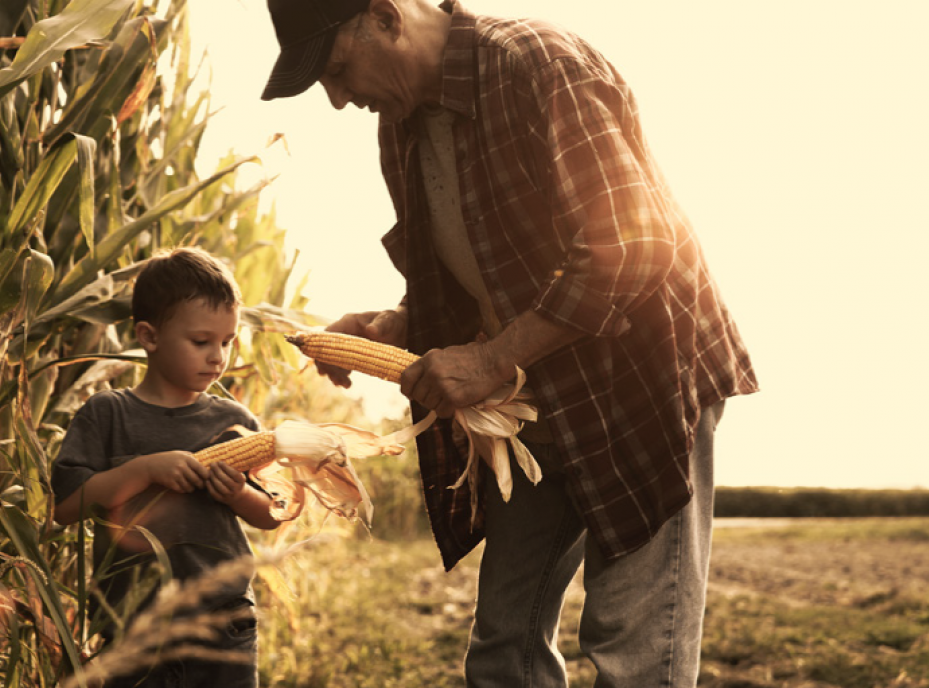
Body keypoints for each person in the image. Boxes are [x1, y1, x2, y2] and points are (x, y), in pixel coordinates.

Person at [261, 0, 759, 685]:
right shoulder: (400, 122)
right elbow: (475, 269)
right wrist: (397, 323)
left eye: (339, 70)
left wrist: (492, 359)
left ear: (384, 16)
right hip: (533, 397)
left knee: (630, 646)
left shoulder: (539, 66)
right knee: (504, 640)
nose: (340, 99)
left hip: (640, 381)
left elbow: (633, 247)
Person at [51, 247, 281, 688]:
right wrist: (145, 470)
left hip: (223, 622)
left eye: (227, 342)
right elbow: (63, 508)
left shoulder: (235, 422)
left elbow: (271, 514)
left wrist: (237, 494)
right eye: (201, 342)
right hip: (131, 626)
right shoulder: (107, 415)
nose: (218, 357)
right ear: (149, 336)